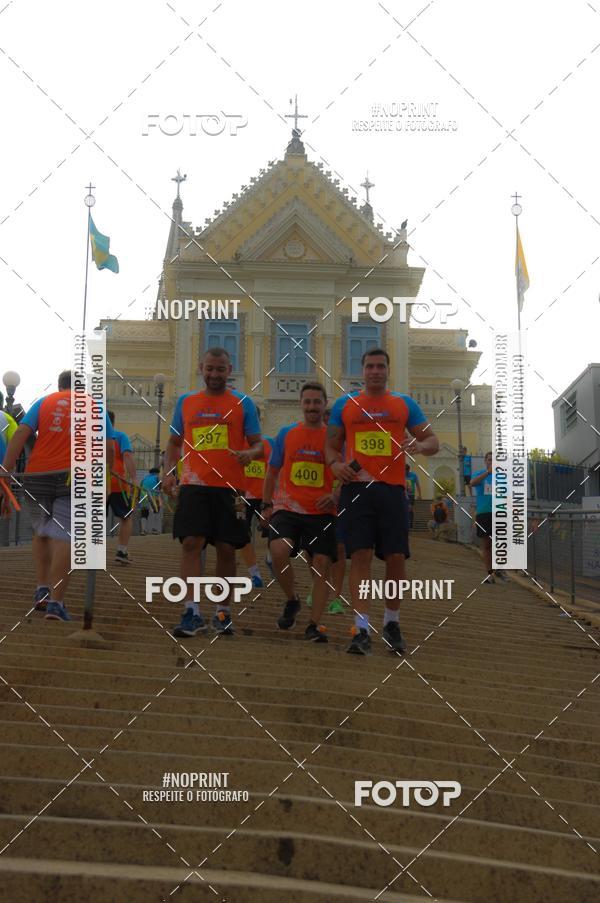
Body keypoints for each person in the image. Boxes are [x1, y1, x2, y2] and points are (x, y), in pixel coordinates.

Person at [326, 347, 439, 655]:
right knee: (359, 557)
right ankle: (360, 628)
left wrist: (419, 443)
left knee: (396, 558)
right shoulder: (344, 405)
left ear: (387, 371)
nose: (375, 371)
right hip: (357, 489)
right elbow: (332, 446)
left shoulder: (404, 404)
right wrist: (335, 465)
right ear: (362, 371)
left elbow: (433, 442)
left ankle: (391, 622)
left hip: (391, 490)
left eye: (380, 366)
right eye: (370, 366)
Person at [162, 347, 262, 638]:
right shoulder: (186, 402)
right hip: (194, 484)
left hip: (229, 488)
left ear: (229, 370)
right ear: (200, 368)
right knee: (191, 543)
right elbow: (173, 443)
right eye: (209, 369)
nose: (214, 374)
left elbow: (258, 445)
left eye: (220, 369)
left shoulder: (243, 403)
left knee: (227, 549)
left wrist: (249, 453)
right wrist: (169, 473)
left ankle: (222, 611)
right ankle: (191, 611)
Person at [1, 370, 115, 620]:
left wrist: (5, 470)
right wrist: (104, 480)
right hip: (74, 476)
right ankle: (56, 602)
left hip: (38, 474)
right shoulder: (94, 405)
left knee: (41, 531)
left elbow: (21, 433)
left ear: (60, 386)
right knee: (66, 535)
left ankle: (42, 588)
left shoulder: (45, 402)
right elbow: (107, 447)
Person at [261, 381, 336, 643]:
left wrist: (335, 495)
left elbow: (349, 472)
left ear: (324, 404)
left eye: (317, 402)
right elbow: (272, 471)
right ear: (300, 404)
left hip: (322, 511)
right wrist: (266, 504)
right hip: (288, 507)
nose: (312, 406)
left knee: (321, 565)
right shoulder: (286, 434)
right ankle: (292, 599)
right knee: (278, 550)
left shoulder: (335, 437)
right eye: (308, 402)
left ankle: (314, 625)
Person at [238, 407, 273, 588]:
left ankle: (270, 558)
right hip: (244, 495)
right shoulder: (237, 443)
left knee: (273, 531)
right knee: (242, 532)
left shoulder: (267, 444)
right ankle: (254, 573)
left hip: (264, 495)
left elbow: (274, 471)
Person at [470, 451, 507, 583]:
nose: (491, 462)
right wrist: (488, 472)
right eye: (489, 460)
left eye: (494, 460)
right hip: (483, 513)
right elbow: (472, 483)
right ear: (485, 461)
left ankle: (499, 569)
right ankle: (489, 574)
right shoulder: (479, 474)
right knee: (486, 544)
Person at [107, 411, 137, 564]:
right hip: (117, 484)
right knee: (126, 517)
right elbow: (127, 456)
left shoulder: (90, 437)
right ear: (113, 422)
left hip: (95, 483)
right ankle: (121, 551)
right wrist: (134, 479)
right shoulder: (120, 436)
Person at [140, 467, 162, 535]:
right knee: (156, 512)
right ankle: (154, 530)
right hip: (154, 497)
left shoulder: (144, 478)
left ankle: (143, 530)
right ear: (157, 473)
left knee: (144, 513)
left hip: (143, 497)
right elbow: (161, 487)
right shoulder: (157, 478)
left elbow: (140, 488)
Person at [405, 462, 421, 528]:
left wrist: (419, 494)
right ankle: (405, 522)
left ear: (408, 470)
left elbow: (417, 485)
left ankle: (410, 523)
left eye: (406, 471)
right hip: (403, 494)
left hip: (411, 494)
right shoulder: (401, 475)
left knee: (410, 508)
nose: (405, 473)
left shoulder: (413, 475)